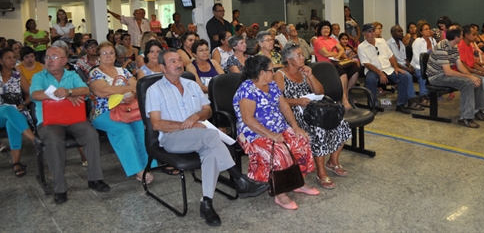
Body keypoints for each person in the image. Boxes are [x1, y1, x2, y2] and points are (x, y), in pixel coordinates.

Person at [146, 48, 269, 226]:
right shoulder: (154, 90)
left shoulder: (191, 84)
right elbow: (156, 124)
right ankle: (239, 179)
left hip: (200, 135)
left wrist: (195, 117)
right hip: (172, 138)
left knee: (210, 152)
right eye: (172, 61)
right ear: (162, 67)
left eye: (179, 60)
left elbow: (207, 110)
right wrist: (186, 125)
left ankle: (207, 203)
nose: (178, 64)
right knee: (211, 135)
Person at [233, 55, 318, 210]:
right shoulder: (247, 89)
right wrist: (270, 135)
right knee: (279, 152)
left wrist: (295, 127)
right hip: (253, 132)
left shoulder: (271, 84)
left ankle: (298, 182)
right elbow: (248, 119)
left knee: (300, 140)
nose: (273, 73)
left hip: (278, 128)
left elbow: (284, 106)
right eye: (271, 70)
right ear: (260, 72)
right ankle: (281, 193)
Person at [30, 46, 110, 204]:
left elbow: (86, 90)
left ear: (64, 61)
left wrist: (70, 92)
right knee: (53, 141)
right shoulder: (39, 76)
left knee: (90, 134)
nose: (49, 61)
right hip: (49, 122)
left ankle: (95, 179)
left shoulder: (72, 74)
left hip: (74, 119)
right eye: (47, 57)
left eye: (54, 57)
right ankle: (60, 188)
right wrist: (64, 96)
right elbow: (35, 94)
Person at [275, 44, 352, 189]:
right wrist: (297, 101)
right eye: (298, 55)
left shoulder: (304, 72)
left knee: (341, 123)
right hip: (293, 112)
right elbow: (276, 100)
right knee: (319, 129)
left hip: (312, 109)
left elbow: (319, 93)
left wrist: (310, 76)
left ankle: (333, 161)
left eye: (302, 54)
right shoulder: (280, 75)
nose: (303, 57)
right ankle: (321, 173)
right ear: (289, 60)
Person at [88, 42, 156, 183]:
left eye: (111, 53)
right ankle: (138, 170)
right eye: (104, 53)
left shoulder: (123, 71)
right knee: (124, 131)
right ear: (98, 57)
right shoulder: (95, 72)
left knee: (142, 128)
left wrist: (128, 93)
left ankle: (148, 165)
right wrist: (125, 92)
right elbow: (102, 91)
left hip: (128, 110)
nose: (108, 56)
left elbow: (138, 87)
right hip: (104, 112)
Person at [426, 26, 484, 128]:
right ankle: (465, 117)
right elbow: (447, 72)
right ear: (456, 37)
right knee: (467, 83)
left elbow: (459, 65)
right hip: (437, 77)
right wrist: (469, 78)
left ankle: (478, 111)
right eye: (461, 35)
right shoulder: (441, 47)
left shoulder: (454, 46)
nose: (462, 36)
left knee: (479, 79)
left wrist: (471, 75)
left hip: (445, 74)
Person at [358, 23, 423, 114]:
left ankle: (401, 104)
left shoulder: (381, 41)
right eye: (369, 32)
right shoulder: (361, 47)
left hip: (388, 68)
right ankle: (373, 105)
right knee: (370, 79)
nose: (372, 34)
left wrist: (396, 67)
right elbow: (367, 64)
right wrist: (380, 73)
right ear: (364, 34)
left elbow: (391, 56)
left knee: (404, 76)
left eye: (373, 31)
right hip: (373, 70)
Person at [0, 48, 36, 177]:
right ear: (0, 61)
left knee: (12, 121)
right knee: (8, 109)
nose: (12, 60)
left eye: (13, 57)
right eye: (8, 58)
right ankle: (33, 139)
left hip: (17, 112)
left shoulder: (18, 76)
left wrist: (24, 104)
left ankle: (16, 162)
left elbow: (32, 94)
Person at [313, 21, 359, 109]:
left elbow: (341, 49)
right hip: (326, 66)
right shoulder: (318, 41)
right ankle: (344, 99)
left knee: (355, 71)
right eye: (324, 28)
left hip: (337, 63)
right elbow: (325, 54)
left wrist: (338, 54)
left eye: (328, 28)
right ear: (320, 30)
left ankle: (346, 93)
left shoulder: (332, 39)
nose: (326, 30)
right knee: (343, 74)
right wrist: (336, 54)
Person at [410, 21, 437, 107]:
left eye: (429, 29)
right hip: (417, 67)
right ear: (421, 32)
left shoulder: (433, 40)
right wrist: (427, 66)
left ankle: (433, 93)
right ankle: (423, 96)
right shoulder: (418, 41)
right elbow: (416, 58)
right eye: (426, 29)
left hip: (430, 66)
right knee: (423, 74)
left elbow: (436, 54)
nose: (428, 30)